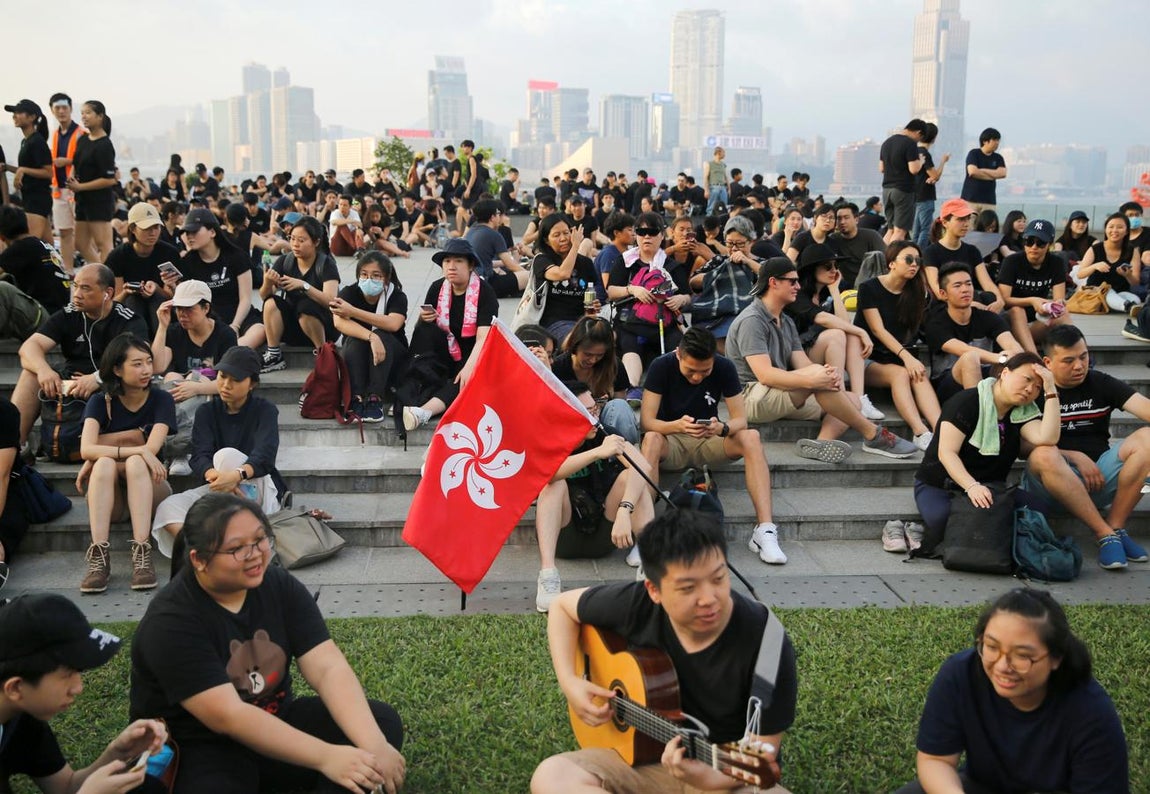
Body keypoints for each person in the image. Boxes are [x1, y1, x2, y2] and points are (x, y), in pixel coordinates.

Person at [130, 493, 406, 793]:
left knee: (379, 724)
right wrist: (327, 757)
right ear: (199, 560)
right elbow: (229, 716)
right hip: (202, 746)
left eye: (261, 539)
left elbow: (327, 667)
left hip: (276, 722)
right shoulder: (171, 620)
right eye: (236, 549)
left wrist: (373, 744)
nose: (255, 554)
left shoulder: (277, 585)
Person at [530, 508, 797, 793]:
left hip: (724, 772)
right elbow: (561, 607)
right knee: (553, 776)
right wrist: (570, 682)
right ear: (654, 590)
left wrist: (703, 779)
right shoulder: (636, 603)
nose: (709, 599)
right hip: (641, 762)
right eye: (687, 588)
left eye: (718, 578)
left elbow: (763, 757)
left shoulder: (767, 640)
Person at [896, 588, 1128, 793]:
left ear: (1056, 657)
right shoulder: (960, 675)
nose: (1002, 666)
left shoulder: (1090, 711)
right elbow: (936, 760)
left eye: (1023, 656)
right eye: (991, 647)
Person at [726, 257, 919, 463]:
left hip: (778, 393)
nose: (798, 287)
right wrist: (813, 380)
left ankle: (821, 443)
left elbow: (803, 365)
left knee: (852, 400)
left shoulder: (786, 321)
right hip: (750, 397)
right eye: (792, 281)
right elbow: (765, 375)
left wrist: (826, 374)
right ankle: (873, 434)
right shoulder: (752, 321)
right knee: (818, 380)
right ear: (773, 283)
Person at [641, 326, 787, 566]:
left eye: (704, 370)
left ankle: (765, 530)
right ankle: (646, 530)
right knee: (651, 439)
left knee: (751, 437)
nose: (697, 377)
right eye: (691, 370)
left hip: (710, 439)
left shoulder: (724, 367)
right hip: (672, 440)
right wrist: (677, 426)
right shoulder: (661, 365)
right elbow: (647, 422)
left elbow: (741, 419)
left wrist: (722, 428)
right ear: (678, 354)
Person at [0, 592, 169, 793]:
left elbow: (65, 787)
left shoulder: (21, 717)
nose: (78, 687)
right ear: (15, 688)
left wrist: (117, 753)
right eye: (67, 674)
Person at [1019, 324, 1150, 570]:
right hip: (1050, 486)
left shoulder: (1100, 382)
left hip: (1098, 478)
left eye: (1084, 357)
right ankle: (1104, 534)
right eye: (1068, 361)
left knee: (1148, 439)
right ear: (1048, 362)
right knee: (1044, 453)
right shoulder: (1035, 390)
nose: (1079, 366)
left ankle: (1117, 526)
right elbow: (1021, 447)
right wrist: (1075, 456)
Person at [912, 352, 1060, 540]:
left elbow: (1048, 437)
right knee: (946, 522)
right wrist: (972, 486)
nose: (1030, 389)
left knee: (1039, 511)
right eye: (1026, 379)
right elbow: (947, 453)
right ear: (1005, 373)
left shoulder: (1022, 412)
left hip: (992, 488)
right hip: (942, 486)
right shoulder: (966, 402)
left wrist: (1051, 389)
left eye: (1037, 387)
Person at [534, 382, 654, 612]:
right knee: (554, 485)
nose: (595, 417)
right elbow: (549, 473)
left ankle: (651, 565)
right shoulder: (552, 435)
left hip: (606, 530)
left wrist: (623, 510)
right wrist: (598, 452)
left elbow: (643, 467)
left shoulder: (605, 432)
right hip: (564, 535)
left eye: (595, 408)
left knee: (633, 478)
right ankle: (548, 576)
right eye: (586, 411)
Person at [151, 346, 283, 554]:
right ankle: (209, 551)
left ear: (252, 384)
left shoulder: (265, 410)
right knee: (167, 508)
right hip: (219, 487)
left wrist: (235, 475)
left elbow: (265, 457)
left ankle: (238, 533)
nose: (226, 385)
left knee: (225, 455)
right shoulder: (206, 411)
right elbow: (199, 456)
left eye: (235, 380)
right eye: (222, 376)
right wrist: (217, 477)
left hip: (256, 488)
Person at [76, 334, 175, 593]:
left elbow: (151, 449)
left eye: (148, 362)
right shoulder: (100, 401)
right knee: (105, 465)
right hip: (113, 500)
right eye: (137, 364)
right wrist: (111, 455)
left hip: (152, 490)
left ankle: (142, 554)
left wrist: (103, 453)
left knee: (131, 463)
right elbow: (85, 448)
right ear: (117, 369)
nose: (146, 370)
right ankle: (99, 558)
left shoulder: (161, 399)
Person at [10, 263, 147, 448]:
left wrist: (99, 378)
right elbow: (29, 347)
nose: (77, 294)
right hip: (71, 381)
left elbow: (141, 360)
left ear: (108, 293)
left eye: (85, 288)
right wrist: (44, 371)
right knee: (31, 373)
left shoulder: (128, 319)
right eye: (76, 286)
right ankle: (13, 446)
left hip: (110, 382)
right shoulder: (69, 314)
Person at [402, 238, 496, 431]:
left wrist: (470, 367)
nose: (451, 266)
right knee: (423, 329)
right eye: (447, 261)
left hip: (473, 352)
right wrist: (424, 318)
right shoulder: (437, 288)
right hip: (445, 351)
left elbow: (484, 338)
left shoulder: (485, 292)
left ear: (471, 265)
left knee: (467, 378)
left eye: (459, 261)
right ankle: (413, 387)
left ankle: (424, 411)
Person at [854, 241, 940, 451]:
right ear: (891, 263)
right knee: (901, 374)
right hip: (866, 357)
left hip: (896, 356)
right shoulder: (869, 288)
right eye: (908, 259)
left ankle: (941, 430)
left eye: (918, 261)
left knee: (918, 373)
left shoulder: (916, 292)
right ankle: (920, 431)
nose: (914, 265)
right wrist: (907, 357)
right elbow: (878, 330)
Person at [788, 243, 883, 420]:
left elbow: (844, 322)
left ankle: (860, 398)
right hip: (797, 356)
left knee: (850, 334)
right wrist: (863, 332)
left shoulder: (825, 294)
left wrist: (834, 290)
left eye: (836, 266)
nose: (833, 270)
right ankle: (839, 394)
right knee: (838, 334)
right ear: (812, 269)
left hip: (821, 351)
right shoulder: (797, 292)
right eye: (827, 266)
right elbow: (821, 318)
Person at [606, 213, 689, 397]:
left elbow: (687, 295)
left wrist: (680, 299)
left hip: (664, 322)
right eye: (642, 232)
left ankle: (674, 387)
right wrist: (632, 290)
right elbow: (611, 291)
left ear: (662, 235)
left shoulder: (671, 265)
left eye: (652, 232)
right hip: (630, 322)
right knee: (629, 343)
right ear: (636, 235)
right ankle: (633, 387)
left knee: (676, 343)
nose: (647, 237)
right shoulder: (625, 261)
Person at [924, 262, 1023, 403]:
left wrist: (1011, 355)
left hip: (987, 377)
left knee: (1015, 356)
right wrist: (999, 358)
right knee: (970, 358)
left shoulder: (988, 317)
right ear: (943, 294)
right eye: (957, 286)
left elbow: (1013, 346)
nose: (965, 289)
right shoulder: (936, 322)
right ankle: (980, 415)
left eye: (968, 284)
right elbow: (964, 350)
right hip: (950, 384)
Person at [331, 252, 408, 423]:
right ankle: (356, 397)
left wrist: (353, 312)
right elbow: (339, 323)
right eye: (364, 274)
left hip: (393, 357)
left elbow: (393, 323)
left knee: (383, 334)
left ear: (386, 279)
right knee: (356, 338)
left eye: (376, 276)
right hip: (359, 354)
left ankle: (375, 399)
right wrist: (371, 337)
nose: (369, 279)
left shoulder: (396, 296)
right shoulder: (349, 292)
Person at [259, 216, 340, 371]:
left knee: (305, 305)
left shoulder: (326, 264)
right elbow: (264, 296)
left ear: (316, 242)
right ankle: (274, 354)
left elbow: (331, 300)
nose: (295, 244)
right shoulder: (285, 261)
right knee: (271, 302)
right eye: (292, 238)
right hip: (292, 328)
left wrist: (304, 286)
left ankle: (323, 354)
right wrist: (268, 282)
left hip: (322, 328)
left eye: (301, 240)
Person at [178, 208, 263, 349]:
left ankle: (225, 352)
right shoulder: (187, 262)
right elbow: (187, 301)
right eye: (186, 233)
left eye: (194, 231)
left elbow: (245, 298)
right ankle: (226, 353)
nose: (189, 236)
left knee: (259, 330)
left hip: (239, 314)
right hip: (207, 319)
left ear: (212, 232)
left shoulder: (236, 256)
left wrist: (235, 326)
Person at [550, 316, 637, 444]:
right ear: (575, 347)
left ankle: (622, 456)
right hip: (573, 428)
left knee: (620, 405)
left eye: (599, 355)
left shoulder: (614, 365)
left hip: (606, 427)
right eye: (588, 354)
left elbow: (621, 401)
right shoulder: (558, 367)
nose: (593, 360)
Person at [689, 215, 764, 353]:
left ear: (751, 242)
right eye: (730, 243)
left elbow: (771, 276)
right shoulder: (719, 261)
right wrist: (717, 273)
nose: (734, 249)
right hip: (718, 314)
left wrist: (747, 262)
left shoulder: (761, 263)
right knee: (704, 335)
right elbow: (694, 281)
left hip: (748, 315)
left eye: (740, 244)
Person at [105, 202, 181, 337]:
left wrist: (157, 288)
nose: (152, 233)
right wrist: (127, 291)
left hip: (160, 305)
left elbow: (173, 297)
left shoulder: (170, 253)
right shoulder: (118, 256)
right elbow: (113, 301)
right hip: (130, 306)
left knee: (157, 301)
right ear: (133, 229)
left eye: (156, 227)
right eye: (147, 228)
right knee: (133, 301)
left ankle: (162, 346)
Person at [995, 219, 1070, 353]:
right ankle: (1033, 357)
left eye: (1040, 243)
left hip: (1037, 321)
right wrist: (1032, 300)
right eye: (1029, 241)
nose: (1034, 247)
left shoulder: (1056, 262)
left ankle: (1078, 353)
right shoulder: (1011, 261)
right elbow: (1004, 299)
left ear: (1049, 245)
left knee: (1063, 314)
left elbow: (1059, 298)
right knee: (1017, 310)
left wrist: (1054, 306)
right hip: (1009, 323)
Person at [153, 280, 238, 393]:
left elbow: (231, 381)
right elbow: (157, 367)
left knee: (194, 377)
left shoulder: (226, 335)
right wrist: (162, 326)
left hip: (211, 393)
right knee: (171, 376)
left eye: (189, 308)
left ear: (206, 308)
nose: (182, 314)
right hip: (181, 389)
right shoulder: (174, 332)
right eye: (179, 308)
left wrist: (197, 388)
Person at [923, 198, 1004, 312]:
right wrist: (970, 304)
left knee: (990, 297)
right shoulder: (931, 252)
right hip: (945, 307)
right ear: (945, 222)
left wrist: (999, 300)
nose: (966, 224)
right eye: (960, 219)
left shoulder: (972, 251)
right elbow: (938, 290)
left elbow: (987, 283)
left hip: (970, 302)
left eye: (968, 219)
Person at [532, 212, 600, 343]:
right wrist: (576, 245)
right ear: (546, 240)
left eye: (566, 233)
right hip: (554, 322)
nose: (563, 238)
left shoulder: (586, 263)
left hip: (582, 320)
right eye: (556, 235)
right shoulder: (542, 260)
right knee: (579, 340)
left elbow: (591, 293)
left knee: (609, 337)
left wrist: (594, 304)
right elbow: (563, 274)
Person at [0, 205, 70, 321]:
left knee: (3, 289)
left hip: (45, 315)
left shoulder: (19, 248)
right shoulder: (40, 244)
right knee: (7, 279)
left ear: (2, 237)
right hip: (61, 313)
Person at [68, 101, 117, 266]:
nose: (84, 117)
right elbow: (76, 164)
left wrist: (80, 187)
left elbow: (109, 178)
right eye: (82, 113)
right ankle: (99, 272)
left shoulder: (104, 145)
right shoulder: (83, 140)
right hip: (82, 200)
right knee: (80, 243)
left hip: (99, 202)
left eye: (88, 113)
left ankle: (107, 280)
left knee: (104, 244)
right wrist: (73, 180)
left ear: (100, 116)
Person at [2, 100, 53, 244]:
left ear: (32, 117)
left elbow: (48, 172)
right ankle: (60, 267)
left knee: (27, 244)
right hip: (31, 198)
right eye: (14, 113)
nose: (14, 116)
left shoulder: (37, 142)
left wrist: (22, 170)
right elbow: (29, 171)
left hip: (37, 199)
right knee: (48, 245)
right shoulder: (26, 141)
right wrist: (7, 167)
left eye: (19, 113)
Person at [1075, 212, 1142, 312]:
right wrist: (1095, 266)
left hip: (1120, 292)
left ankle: (1118, 304)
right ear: (1106, 229)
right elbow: (1080, 274)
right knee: (1108, 292)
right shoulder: (1095, 249)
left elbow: (1135, 282)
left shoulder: (1132, 251)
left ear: (1127, 231)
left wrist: (1127, 275)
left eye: (1119, 227)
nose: (1114, 230)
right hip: (1096, 292)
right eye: (1111, 227)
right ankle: (1126, 307)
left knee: (1135, 299)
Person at [464, 199, 528, 297]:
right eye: (498, 213)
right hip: (486, 285)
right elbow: (511, 266)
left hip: (471, 282)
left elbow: (482, 261)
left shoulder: (471, 231)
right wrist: (528, 275)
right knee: (529, 276)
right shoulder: (494, 234)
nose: (500, 216)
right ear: (492, 217)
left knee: (506, 274)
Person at [878, 119, 927, 243]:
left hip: (887, 190)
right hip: (903, 190)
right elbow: (914, 169)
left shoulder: (887, 143)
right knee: (900, 232)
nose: (918, 141)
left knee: (890, 230)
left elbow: (881, 168)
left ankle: (880, 258)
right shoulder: (910, 143)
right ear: (918, 132)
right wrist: (921, 161)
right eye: (920, 138)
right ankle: (891, 259)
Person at [831, 201, 886, 290]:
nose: (842, 222)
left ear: (856, 219)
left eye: (846, 218)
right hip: (843, 287)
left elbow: (885, 259)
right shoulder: (833, 239)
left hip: (869, 285)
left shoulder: (871, 236)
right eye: (839, 218)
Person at [912, 122, 949, 250]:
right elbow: (935, 176)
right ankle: (920, 255)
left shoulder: (914, 151)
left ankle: (913, 252)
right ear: (934, 138)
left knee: (916, 230)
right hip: (925, 195)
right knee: (925, 229)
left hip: (915, 195)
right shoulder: (924, 153)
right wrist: (943, 162)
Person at [960, 127, 1007, 215]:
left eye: (998, 140)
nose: (997, 143)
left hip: (989, 201)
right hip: (970, 200)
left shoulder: (998, 158)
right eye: (995, 140)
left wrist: (982, 170)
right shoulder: (974, 154)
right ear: (985, 141)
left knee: (987, 228)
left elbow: (1002, 173)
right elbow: (973, 172)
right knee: (969, 227)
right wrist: (993, 175)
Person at [702, 146, 729, 216]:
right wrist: (706, 190)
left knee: (724, 207)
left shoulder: (723, 164)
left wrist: (729, 188)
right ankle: (708, 221)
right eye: (723, 153)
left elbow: (726, 177)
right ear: (718, 153)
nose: (724, 155)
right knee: (711, 207)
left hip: (723, 187)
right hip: (713, 187)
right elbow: (705, 177)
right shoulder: (709, 163)